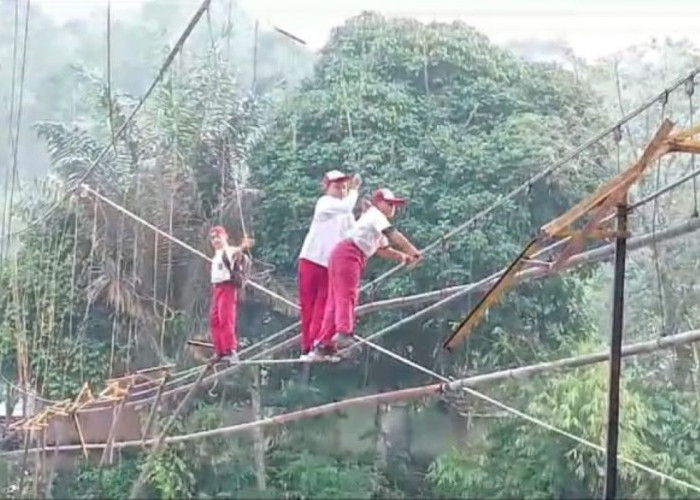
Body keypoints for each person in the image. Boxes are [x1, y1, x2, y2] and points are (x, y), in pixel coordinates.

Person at [311, 188, 422, 359]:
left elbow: (383, 249)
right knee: (347, 294)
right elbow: (393, 235)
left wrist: (403, 256)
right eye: (390, 204)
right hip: (349, 254)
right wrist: (414, 251)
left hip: (345, 254)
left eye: (395, 205)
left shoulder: (374, 220)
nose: (393, 208)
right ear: (378, 203)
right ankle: (344, 332)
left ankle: (323, 344)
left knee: (336, 298)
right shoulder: (375, 215)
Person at [298, 170, 361, 360]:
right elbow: (345, 206)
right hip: (311, 259)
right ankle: (308, 346)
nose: (341, 190)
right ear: (326, 187)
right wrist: (354, 191)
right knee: (309, 306)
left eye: (344, 187)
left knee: (324, 308)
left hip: (330, 265)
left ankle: (322, 344)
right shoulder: (325, 203)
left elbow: (355, 232)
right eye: (337, 187)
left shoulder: (346, 213)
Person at [209, 225, 254, 363]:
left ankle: (230, 349)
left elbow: (236, 253)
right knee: (215, 319)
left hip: (227, 287)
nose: (216, 240)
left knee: (226, 318)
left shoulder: (228, 251)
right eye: (213, 238)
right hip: (217, 288)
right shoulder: (216, 256)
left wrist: (243, 245)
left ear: (225, 237)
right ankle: (220, 350)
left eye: (218, 236)